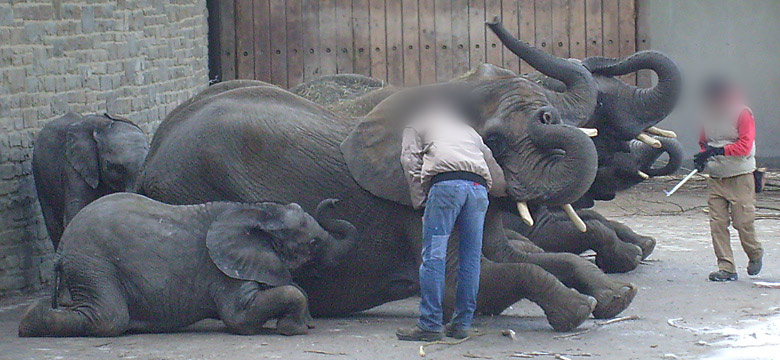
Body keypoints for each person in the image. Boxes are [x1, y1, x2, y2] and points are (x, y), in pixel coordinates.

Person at [395, 94, 505, 341]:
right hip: (478, 192)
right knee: (470, 260)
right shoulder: (468, 131)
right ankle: (461, 324)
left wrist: (421, 202)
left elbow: (409, 161)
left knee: (434, 257)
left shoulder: (417, 124)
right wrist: (507, 191)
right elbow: (493, 170)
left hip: (445, 187)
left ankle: (430, 325)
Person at [694, 76, 762, 282]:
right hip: (717, 177)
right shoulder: (707, 114)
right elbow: (703, 141)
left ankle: (755, 253)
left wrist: (720, 150)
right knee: (717, 224)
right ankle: (726, 267)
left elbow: (745, 146)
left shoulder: (742, 113)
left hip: (740, 176)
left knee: (743, 222)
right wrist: (704, 155)